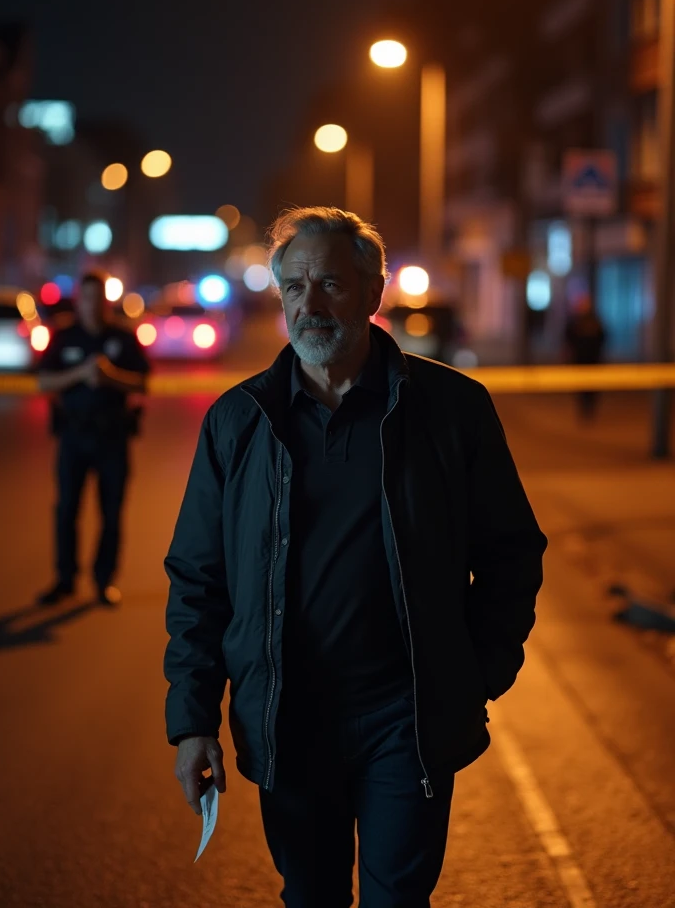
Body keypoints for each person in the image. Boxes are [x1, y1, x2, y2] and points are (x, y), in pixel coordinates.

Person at [164, 207, 547, 907]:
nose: (311, 305)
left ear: (374, 293)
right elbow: (198, 581)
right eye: (295, 288)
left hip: (406, 720)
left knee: (398, 898)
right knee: (309, 895)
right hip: (288, 718)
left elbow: (511, 553)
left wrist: (478, 673)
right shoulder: (238, 421)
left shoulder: (453, 408)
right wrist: (192, 721)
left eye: (332, 284)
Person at [37, 272, 150, 607]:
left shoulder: (124, 338)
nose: (93, 305)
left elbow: (143, 383)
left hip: (113, 436)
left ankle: (103, 582)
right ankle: (65, 579)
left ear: (107, 302)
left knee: (111, 513)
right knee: (66, 510)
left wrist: (110, 376)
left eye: (99, 298)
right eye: (87, 298)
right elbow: (43, 382)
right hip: (73, 435)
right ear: (79, 300)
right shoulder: (64, 336)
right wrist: (82, 373)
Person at [564, 293, 606, 420]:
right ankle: (583, 410)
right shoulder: (575, 322)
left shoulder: (595, 321)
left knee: (592, 387)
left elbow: (603, 337)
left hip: (593, 360)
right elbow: (568, 338)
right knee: (580, 387)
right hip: (579, 359)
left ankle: (590, 410)